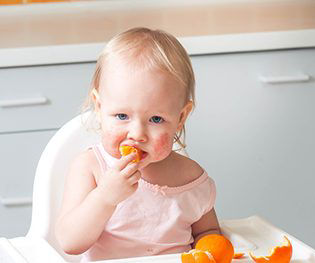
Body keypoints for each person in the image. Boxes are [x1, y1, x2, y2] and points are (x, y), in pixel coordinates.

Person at [55, 27, 221, 262]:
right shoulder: (92, 167)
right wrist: (105, 197)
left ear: (181, 117)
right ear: (99, 108)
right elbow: (70, 242)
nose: (137, 134)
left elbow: (207, 233)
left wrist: (211, 249)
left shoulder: (191, 178)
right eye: (122, 116)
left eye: (156, 119)